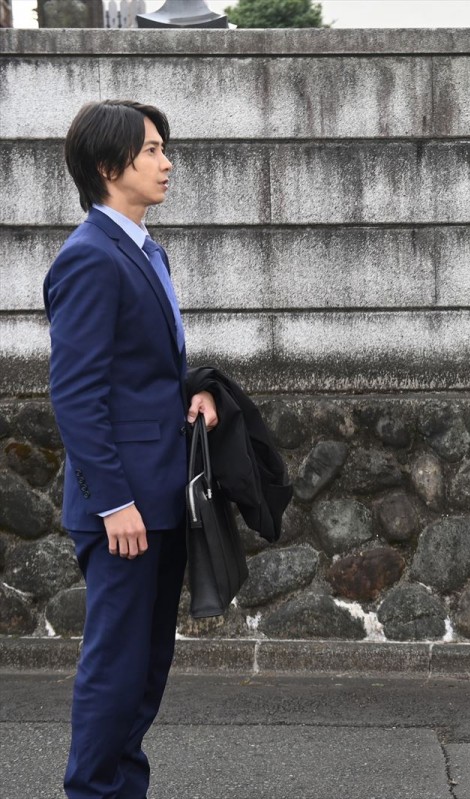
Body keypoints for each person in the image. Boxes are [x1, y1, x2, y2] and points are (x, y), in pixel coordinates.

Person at [45, 100, 218, 799]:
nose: (166, 161)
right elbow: (76, 395)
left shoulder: (145, 249)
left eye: (163, 148)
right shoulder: (90, 257)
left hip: (159, 495)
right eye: (150, 150)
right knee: (116, 666)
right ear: (108, 167)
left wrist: (193, 392)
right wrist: (114, 501)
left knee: (146, 667)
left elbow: (141, 371)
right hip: (123, 508)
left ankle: (123, 790)